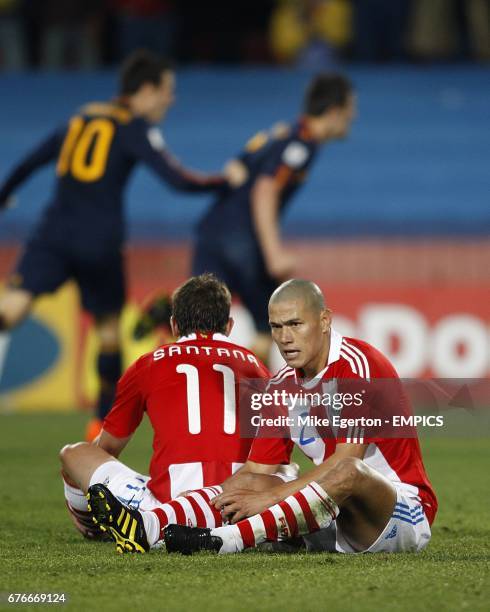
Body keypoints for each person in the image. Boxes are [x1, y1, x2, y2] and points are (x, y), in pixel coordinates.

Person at [0, 50, 226, 440]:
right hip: (100, 240)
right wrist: (223, 180)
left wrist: (3, 195)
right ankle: (100, 425)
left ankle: (100, 423)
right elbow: (176, 179)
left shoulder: (81, 116)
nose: (170, 100)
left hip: (53, 232)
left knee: (11, 309)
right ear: (147, 89)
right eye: (167, 91)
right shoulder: (133, 126)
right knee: (106, 329)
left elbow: (29, 162)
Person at [163, 279, 438, 555]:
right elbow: (256, 471)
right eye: (276, 327)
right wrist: (205, 501)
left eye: (295, 324)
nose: (285, 338)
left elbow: (347, 459)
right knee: (253, 482)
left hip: (398, 514)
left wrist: (270, 498)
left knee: (349, 471)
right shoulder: (280, 386)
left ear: (325, 320)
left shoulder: (357, 367)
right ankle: (162, 529)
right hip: (335, 514)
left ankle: (228, 539)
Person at [59, 273, 294, 553]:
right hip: (238, 504)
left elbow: (108, 448)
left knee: (74, 454)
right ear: (229, 326)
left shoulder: (147, 365)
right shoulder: (257, 367)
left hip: (165, 504)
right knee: (286, 471)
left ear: (173, 325)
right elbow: (273, 455)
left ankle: (95, 526)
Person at [134, 74, 356, 360]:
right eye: (351, 108)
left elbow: (236, 166)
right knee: (269, 326)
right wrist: (274, 253)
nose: (354, 115)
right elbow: (265, 190)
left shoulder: (279, 133)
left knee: (198, 321)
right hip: (243, 240)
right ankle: (250, 400)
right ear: (335, 111)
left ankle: (170, 309)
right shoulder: (302, 144)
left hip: (213, 230)